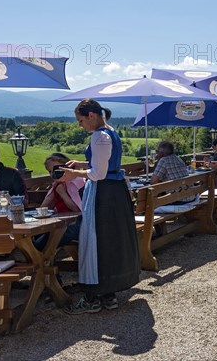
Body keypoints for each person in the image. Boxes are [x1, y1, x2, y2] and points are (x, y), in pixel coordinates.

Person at [59, 99, 140, 314]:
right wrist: (81, 164)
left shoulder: (99, 136)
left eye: (81, 120)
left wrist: (73, 174)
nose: (80, 125)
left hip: (103, 194)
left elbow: (98, 174)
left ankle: (93, 296)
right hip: (113, 192)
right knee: (109, 242)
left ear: (91, 116)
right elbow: (103, 163)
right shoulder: (110, 131)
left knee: (95, 242)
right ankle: (108, 295)